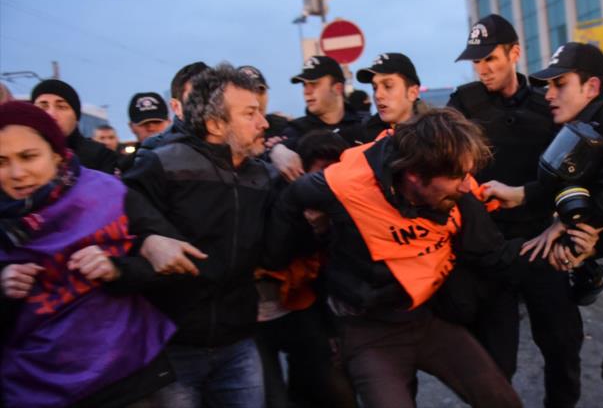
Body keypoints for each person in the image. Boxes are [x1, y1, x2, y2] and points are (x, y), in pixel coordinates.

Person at [266, 109, 523, 408]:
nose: (466, 185)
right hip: (368, 333)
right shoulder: (345, 184)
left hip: (428, 320)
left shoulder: (453, 177)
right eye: (456, 177)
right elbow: (294, 196)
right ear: (414, 175)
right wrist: (278, 254)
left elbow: (494, 250)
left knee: (502, 400)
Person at [107, 63, 298, 407]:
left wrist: (298, 204)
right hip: (173, 348)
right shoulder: (161, 165)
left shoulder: (262, 177)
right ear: (215, 124)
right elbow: (124, 231)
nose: (264, 123)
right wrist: (149, 240)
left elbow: (273, 255)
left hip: (239, 342)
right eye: (251, 113)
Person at [492, 42, 603, 408]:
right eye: (546, 85)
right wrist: (518, 195)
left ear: (590, 87)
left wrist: (564, 225)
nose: (548, 94)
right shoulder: (584, 124)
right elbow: (566, 189)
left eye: (560, 85)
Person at [0, 101, 176, 408]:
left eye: (29, 156)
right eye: (1, 161)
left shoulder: (107, 193)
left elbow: (168, 265)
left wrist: (117, 269)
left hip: (126, 380)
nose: (17, 173)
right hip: (33, 389)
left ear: (56, 154)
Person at [449, 13, 577, 406]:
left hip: (541, 240)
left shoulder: (547, 100)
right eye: (477, 61)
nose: (483, 69)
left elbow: (573, 168)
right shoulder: (463, 102)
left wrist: (564, 225)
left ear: (515, 53)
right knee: (493, 360)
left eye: (491, 59)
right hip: (489, 247)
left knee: (562, 345)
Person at [254, 129, 356, 408]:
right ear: (299, 173)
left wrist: (326, 230)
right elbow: (273, 255)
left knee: (331, 387)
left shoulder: (345, 207)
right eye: (322, 174)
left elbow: (331, 275)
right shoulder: (274, 195)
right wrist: (295, 204)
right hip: (253, 319)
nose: (329, 183)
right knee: (272, 399)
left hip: (301, 308)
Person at [268, 56, 364, 182]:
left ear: (338, 88)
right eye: (304, 85)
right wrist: (276, 150)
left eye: (314, 84)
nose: (306, 91)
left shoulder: (364, 126)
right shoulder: (296, 130)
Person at [31, 79, 118, 174]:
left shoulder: (100, 156)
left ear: (76, 117)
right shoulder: (20, 154)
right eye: (43, 107)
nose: (51, 114)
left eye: (61, 107)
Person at [356, 52, 427, 142]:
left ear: (412, 92)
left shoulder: (436, 137)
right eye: (374, 88)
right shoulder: (360, 139)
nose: (378, 95)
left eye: (388, 86)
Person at [238, 65, 290, 139]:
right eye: (249, 91)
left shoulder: (283, 126)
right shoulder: (228, 135)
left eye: (260, 90)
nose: (256, 97)